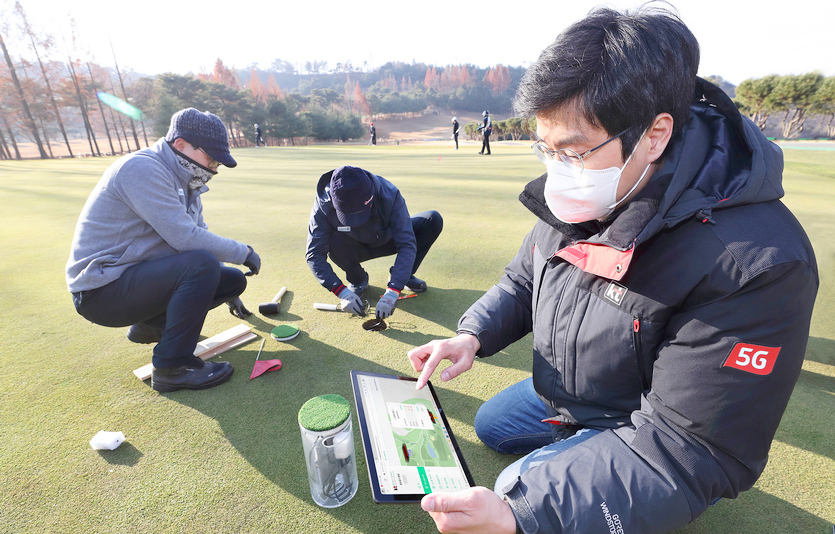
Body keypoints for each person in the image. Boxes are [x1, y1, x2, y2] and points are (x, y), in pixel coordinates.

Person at [408, 5, 818, 534]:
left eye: (573, 153)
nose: (556, 173)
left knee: (516, 494)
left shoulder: (756, 264)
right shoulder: (579, 196)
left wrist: (525, 513)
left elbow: (692, 446)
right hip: (572, 390)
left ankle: (595, 456)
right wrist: (471, 335)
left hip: (646, 419)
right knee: (491, 426)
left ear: (654, 134)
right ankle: (575, 442)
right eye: (545, 150)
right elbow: (523, 277)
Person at [66, 108, 262, 393]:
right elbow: (185, 238)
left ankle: (153, 325)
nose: (214, 168)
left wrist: (227, 291)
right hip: (100, 292)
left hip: (132, 281)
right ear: (181, 145)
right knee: (202, 265)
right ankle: (173, 367)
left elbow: (198, 235)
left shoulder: (188, 182)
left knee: (232, 279)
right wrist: (243, 251)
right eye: (210, 158)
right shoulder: (142, 168)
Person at [306, 165, 443, 319]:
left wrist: (393, 291)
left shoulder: (389, 193)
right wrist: (341, 291)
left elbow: (406, 243)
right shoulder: (323, 203)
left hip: (387, 239)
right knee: (329, 240)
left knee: (432, 219)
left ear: (370, 197)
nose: (357, 222)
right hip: (352, 247)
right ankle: (358, 280)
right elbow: (314, 254)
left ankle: (404, 276)